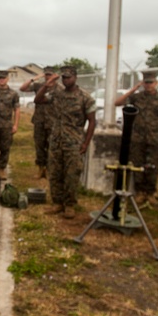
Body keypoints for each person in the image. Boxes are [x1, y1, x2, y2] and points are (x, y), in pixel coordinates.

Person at [34, 65, 97, 219]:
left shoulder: (85, 97)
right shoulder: (57, 94)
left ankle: (69, 205)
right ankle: (57, 203)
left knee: (71, 174)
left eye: (69, 77)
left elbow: (92, 122)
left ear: (75, 78)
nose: (66, 80)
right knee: (55, 173)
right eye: (64, 77)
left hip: (74, 141)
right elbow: (38, 100)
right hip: (56, 140)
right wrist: (46, 85)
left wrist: (86, 143)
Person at [115, 71, 158, 207]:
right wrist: (134, 89)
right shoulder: (136, 98)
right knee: (137, 165)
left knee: (154, 166)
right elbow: (117, 102)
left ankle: (151, 193)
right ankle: (140, 192)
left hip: (154, 138)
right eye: (146, 82)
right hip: (137, 138)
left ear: (156, 83)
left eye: (151, 82)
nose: (148, 85)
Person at [20, 66, 59, 178]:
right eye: (46, 74)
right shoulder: (39, 86)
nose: (48, 77)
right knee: (39, 146)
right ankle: (41, 169)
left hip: (53, 121)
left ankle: (50, 170)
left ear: (54, 75)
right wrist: (34, 79)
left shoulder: (59, 88)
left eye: (50, 75)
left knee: (52, 147)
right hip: (39, 120)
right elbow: (22, 88)